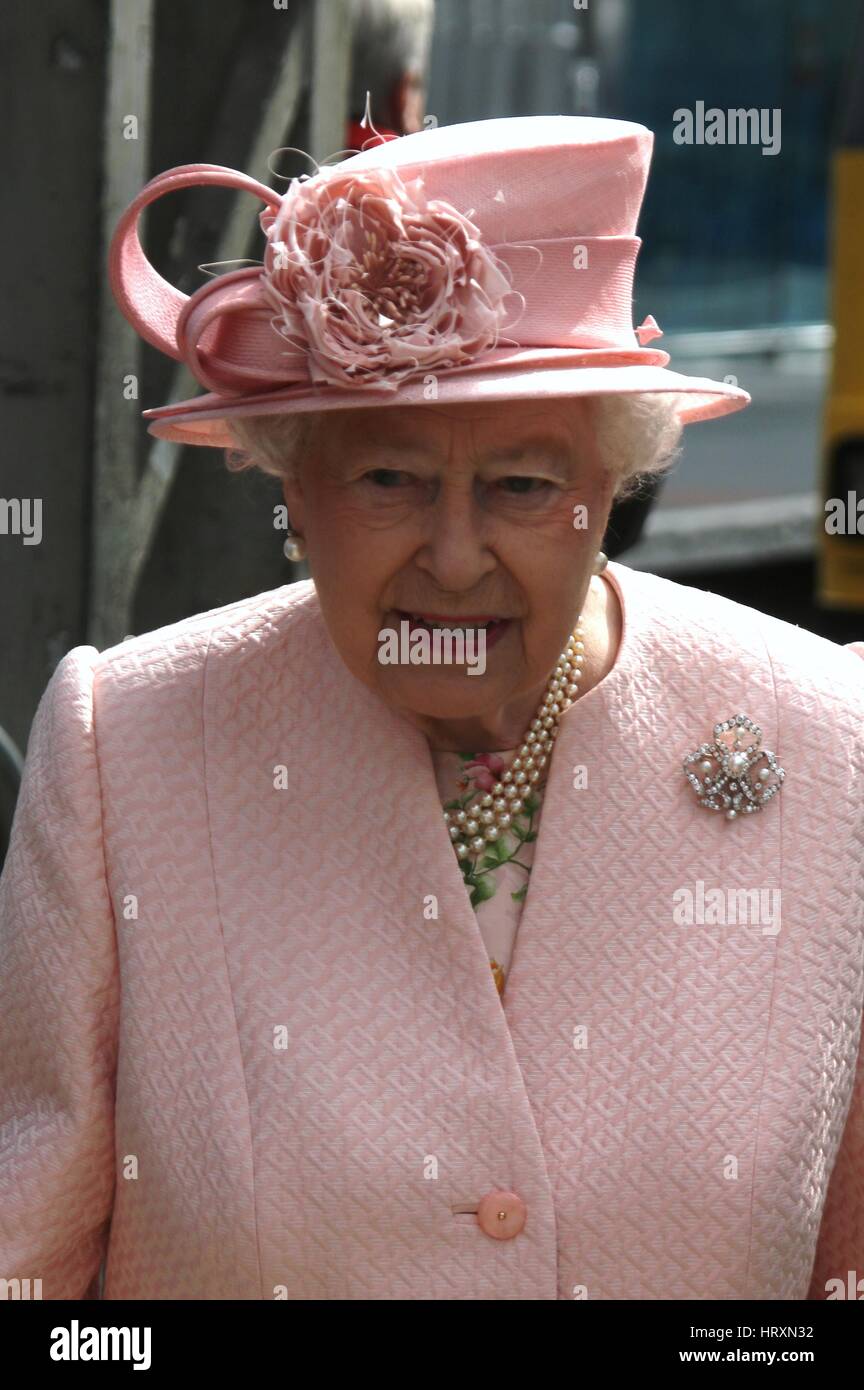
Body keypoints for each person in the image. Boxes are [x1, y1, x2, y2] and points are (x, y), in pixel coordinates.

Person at [1, 116, 863, 1301]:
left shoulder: (831, 743)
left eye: (522, 484)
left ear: (608, 488)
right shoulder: (128, 751)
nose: (453, 560)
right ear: (292, 487)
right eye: (387, 478)